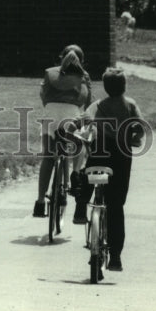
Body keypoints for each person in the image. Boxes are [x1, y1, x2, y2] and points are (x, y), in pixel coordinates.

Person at [72, 67, 144, 272]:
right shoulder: (130, 105)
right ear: (124, 86)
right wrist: (134, 139)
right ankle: (115, 258)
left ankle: (81, 204)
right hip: (121, 158)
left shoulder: (97, 105)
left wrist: (73, 132)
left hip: (100, 154)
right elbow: (139, 128)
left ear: (105, 86)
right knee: (116, 206)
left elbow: (81, 123)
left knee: (89, 171)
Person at [33, 44, 92, 218]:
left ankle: (40, 203)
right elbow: (88, 102)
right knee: (79, 145)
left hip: (51, 116)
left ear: (61, 58)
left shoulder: (49, 72)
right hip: (71, 116)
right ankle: (75, 174)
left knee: (48, 158)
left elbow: (43, 95)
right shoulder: (84, 76)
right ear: (81, 61)